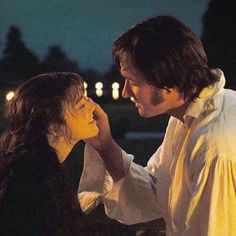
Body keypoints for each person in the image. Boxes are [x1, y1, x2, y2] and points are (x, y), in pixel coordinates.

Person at [78, 15, 236, 236]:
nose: (125, 92)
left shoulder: (214, 144)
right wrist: (105, 145)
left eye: (133, 82)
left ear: (168, 80)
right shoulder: (188, 116)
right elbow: (158, 193)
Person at [0, 72, 98, 235]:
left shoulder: (33, 166)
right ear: (54, 126)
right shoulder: (30, 179)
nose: (92, 106)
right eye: (81, 105)